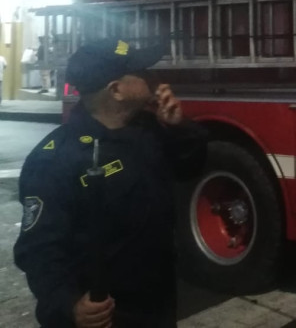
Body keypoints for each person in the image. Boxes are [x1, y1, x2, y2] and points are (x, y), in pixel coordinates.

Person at [14, 38, 208, 327]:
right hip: (107, 315)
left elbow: (188, 168)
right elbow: (39, 249)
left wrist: (179, 127)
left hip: (157, 304)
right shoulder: (56, 159)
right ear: (116, 90)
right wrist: (67, 305)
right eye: (141, 72)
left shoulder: (147, 129)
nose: (152, 77)